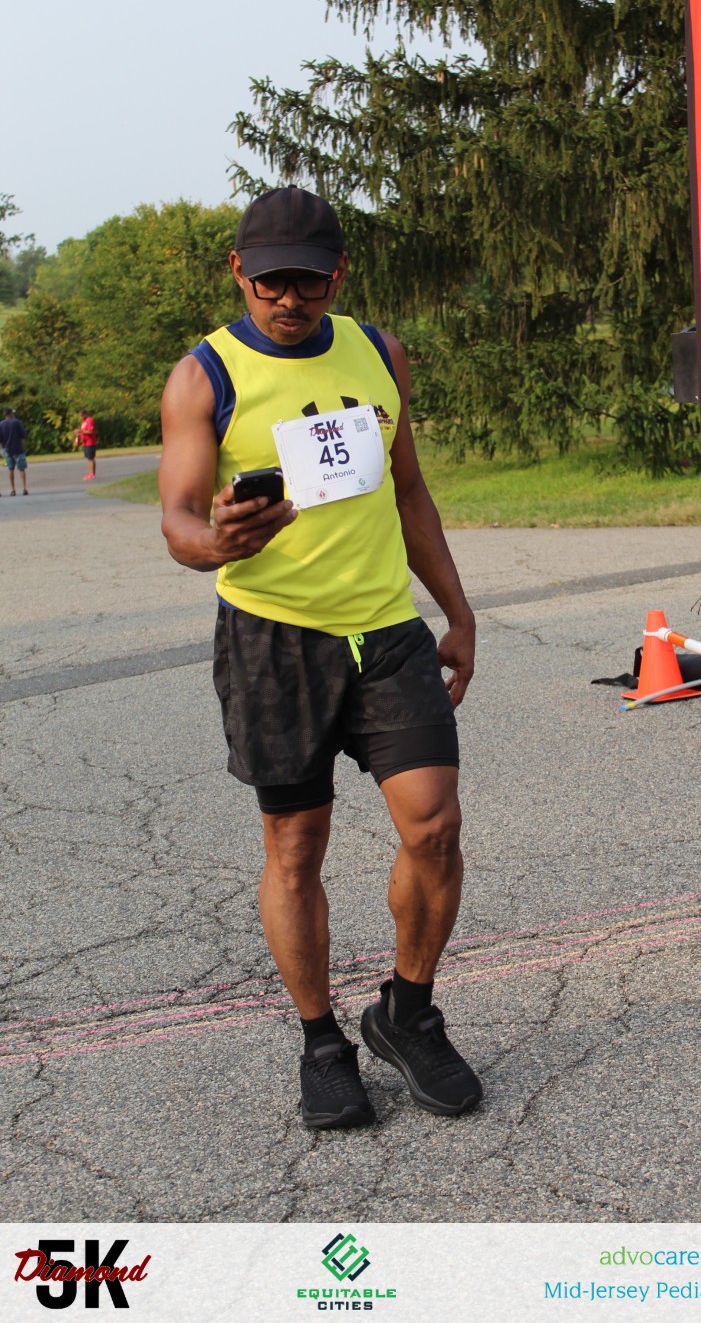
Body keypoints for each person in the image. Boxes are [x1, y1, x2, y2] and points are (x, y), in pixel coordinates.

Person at [158, 185, 481, 1130]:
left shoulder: (379, 352)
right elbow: (179, 519)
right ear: (239, 273)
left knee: (435, 827)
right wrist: (216, 542)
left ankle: (407, 1015)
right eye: (270, 282)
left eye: (307, 280)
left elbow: (409, 490)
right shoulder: (204, 377)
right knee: (296, 848)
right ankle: (322, 1045)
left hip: (385, 631)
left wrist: (457, 611)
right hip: (273, 639)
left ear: (338, 274)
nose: (288, 299)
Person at [0, 408, 28, 495]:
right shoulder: (16, 422)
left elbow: (0, 438)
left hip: (8, 449)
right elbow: (23, 434)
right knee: (21, 469)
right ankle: (24, 488)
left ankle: (13, 489)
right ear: (10, 414)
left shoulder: (1, 424)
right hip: (18, 448)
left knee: (10, 469)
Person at [73, 410, 98, 479]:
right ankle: (91, 473)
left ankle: (92, 474)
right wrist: (78, 436)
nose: (81, 417)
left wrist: (80, 431)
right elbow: (83, 432)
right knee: (88, 458)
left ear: (85, 414)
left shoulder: (89, 420)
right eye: (80, 416)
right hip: (85, 443)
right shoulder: (83, 422)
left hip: (90, 442)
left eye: (81, 415)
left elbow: (91, 431)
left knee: (91, 458)